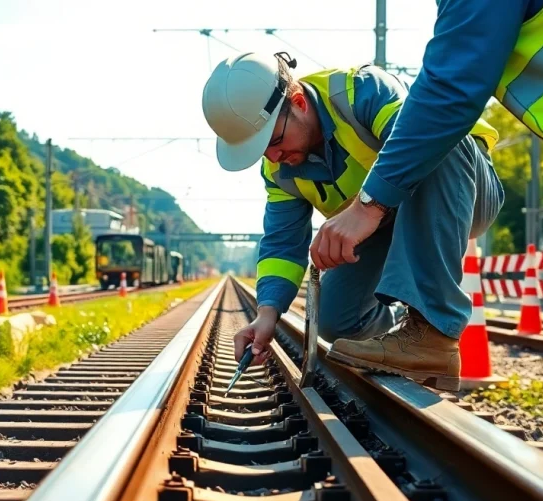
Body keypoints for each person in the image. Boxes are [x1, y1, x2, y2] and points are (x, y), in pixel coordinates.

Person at [201, 51, 505, 392]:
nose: (274, 157)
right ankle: (402, 339)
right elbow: (282, 244)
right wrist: (267, 314)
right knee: (337, 321)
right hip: (385, 222)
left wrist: (367, 208)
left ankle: (434, 333)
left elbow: (422, 139)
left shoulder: (360, 92)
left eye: (274, 141)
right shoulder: (278, 170)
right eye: (262, 150)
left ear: (298, 102)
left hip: (462, 190)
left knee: (432, 131)